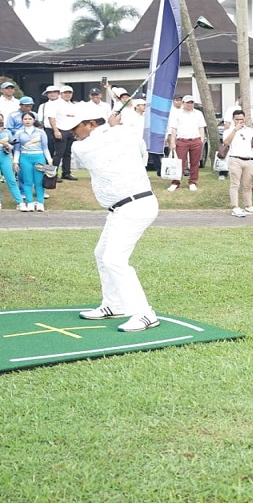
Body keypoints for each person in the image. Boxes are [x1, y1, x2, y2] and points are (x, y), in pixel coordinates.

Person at [70, 102, 161, 332]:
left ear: (91, 124)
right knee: (101, 253)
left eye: (76, 127)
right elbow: (105, 143)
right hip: (119, 208)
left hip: (137, 204)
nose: (73, 133)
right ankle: (114, 305)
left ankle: (144, 314)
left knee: (114, 259)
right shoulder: (85, 145)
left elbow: (139, 152)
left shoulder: (117, 135)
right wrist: (112, 127)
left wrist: (113, 128)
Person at [222, 110, 253, 217]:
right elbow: (226, 143)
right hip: (235, 159)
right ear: (233, 119)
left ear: (244, 119)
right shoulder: (228, 131)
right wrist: (235, 130)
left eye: (241, 119)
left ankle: (248, 206)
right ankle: (235, 207)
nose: (239, 121)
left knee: (248, 185)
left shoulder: (251, 131)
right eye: (237, 119)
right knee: (235, 184)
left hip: (249, 160)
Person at [166, 94, 206, 191]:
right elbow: (174, 129)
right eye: (188, 102)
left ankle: (192, 182)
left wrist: (201, 140)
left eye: (191, 102)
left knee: (195, 163)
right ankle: (175, 182)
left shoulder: (198, 113)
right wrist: (172, 142)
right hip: (182, 140)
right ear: (183, 103)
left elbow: (201, 128)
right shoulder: (177, 114)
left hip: (195, 140)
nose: (189, 104)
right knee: (179, 162)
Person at [13, 111, 51, 211]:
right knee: (27, 181)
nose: (28, 121)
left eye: (30, 119)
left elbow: (45, 147)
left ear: (34, 120)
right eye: (25, 119)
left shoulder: (40, 132)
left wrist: (49, 159)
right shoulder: (19, 133)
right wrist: (15, 161)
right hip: (25, 157)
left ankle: (40, 202)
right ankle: (29, 202)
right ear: (22, 121)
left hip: (39, 157)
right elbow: (16, 149)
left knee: (39, 181)